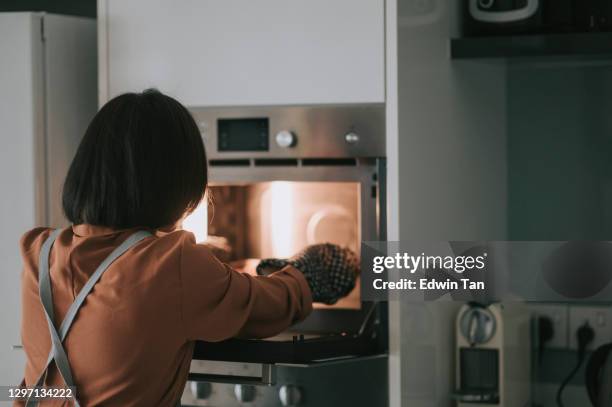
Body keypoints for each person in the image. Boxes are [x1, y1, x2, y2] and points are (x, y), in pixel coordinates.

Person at [16, 89, 356, 406]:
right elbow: (265, 307)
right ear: (172, 182)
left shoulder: (40, 252)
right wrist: (309, 274)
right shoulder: (171, 263)